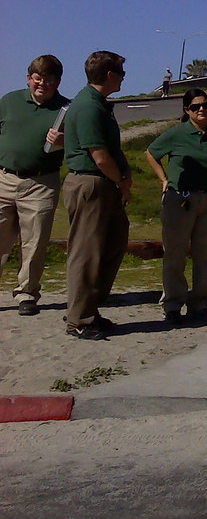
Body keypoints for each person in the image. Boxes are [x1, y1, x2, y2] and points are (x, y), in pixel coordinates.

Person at [145, 88, 207, 324]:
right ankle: (172, 305)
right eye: (195, 107)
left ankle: (199, 304)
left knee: (205, 255)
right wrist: (164, 180)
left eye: (205, 105)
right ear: (187, 110)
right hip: (179, 201)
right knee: (175, 254)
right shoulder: (176, 134)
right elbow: (151, 153)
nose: (201, 109)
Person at [62, 51, 131, 340]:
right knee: (87, 253)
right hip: (91, 183)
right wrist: (121, 180)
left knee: (113, 242)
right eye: (121, 73)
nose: (124, 78)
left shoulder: (99, 104)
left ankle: (89, 306)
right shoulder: (89, 107)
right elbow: (99, 155)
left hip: (103, 184)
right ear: (110, 75)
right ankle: (79, 319)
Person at [0, 55, 71, 316]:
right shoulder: (9, 101)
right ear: (29, 78)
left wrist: (65, 140)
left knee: (35, 239)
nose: (42, 84)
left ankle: (27, 293)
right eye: (38, 78)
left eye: (49, 79)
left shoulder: (67, 109)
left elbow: (83, 143)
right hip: (4, 178)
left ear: (58, 82)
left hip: (42, 182)